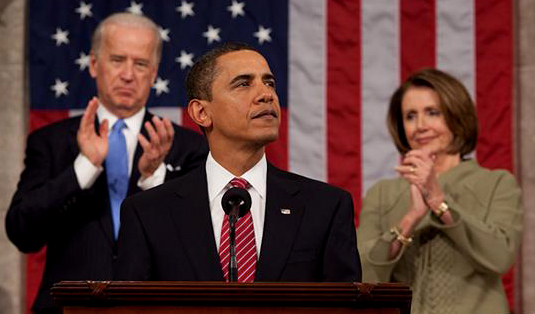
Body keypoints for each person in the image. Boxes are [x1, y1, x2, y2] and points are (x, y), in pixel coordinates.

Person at [5, 13, 207, 314]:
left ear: (154, 74)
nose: (128, 74)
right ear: (94, 64)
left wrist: (153, 177)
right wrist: (84, 167)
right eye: (117, 60)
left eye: (140, 64)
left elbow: (199, 242)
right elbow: (22, 231)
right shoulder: (51, 141)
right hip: (67, 308)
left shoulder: (187, 147)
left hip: (151, 308)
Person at [115, 42, 361, 283]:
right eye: (244, 84)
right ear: (201, 112)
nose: (266, 95)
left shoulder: (326, 207)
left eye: (270, 83)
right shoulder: (147, 214)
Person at [357, 68, 523, 314]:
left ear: (457, 115)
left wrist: (439, 202)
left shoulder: (497, 183)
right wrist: (409, 220)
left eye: (432, 113)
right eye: (410, 116)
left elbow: (500, 257)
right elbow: (362, 273)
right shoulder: (382, 194)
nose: (420, 126)